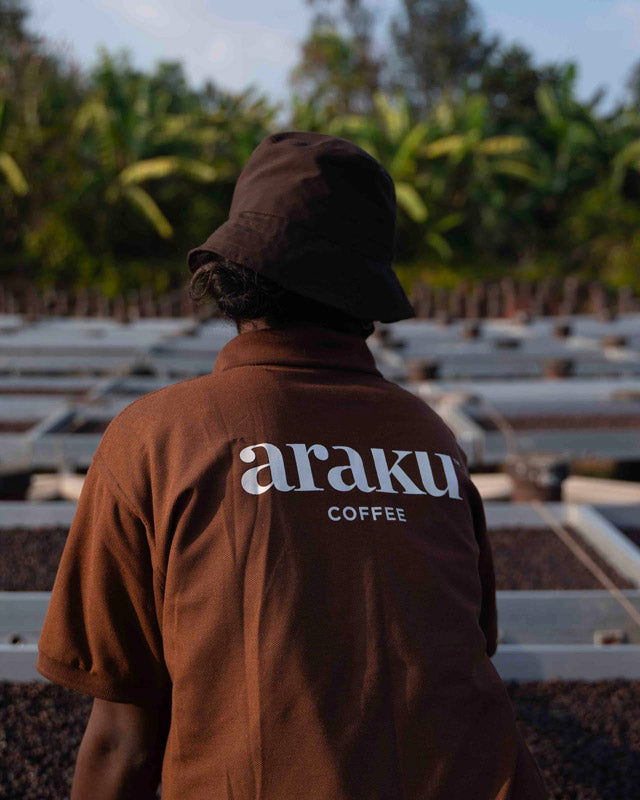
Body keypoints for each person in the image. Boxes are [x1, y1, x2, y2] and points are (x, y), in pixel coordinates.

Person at [37, 131, 548, 799]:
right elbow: (461, 651)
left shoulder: (156, 437)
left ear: (230, 277)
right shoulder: (432, 440)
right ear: (366, 296)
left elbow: (123, 736)